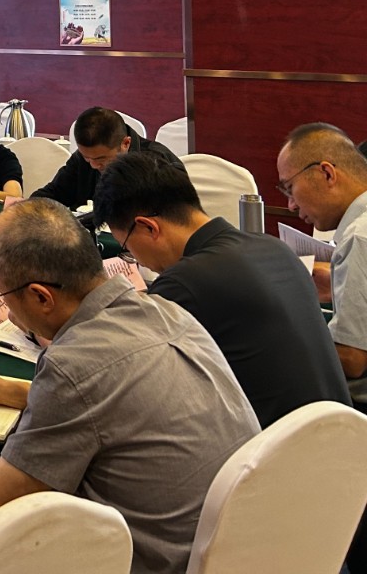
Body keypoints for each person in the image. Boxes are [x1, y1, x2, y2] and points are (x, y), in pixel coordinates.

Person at [0, 199, 258, 574]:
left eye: (2, 295)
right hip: (237, 549)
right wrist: (8, 390)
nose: (7, 312)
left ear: (41, 296)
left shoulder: (73, 365)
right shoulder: (169, 312)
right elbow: (115, 408)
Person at [96, 151, 350, 427]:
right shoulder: (273, 246)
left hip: (277, 448)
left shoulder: (183, 282)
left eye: (128, 248)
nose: (138, 261)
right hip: (346, 436)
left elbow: (127, 376)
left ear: (148, 227)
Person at [275, 122, 367, 407]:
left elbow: (352, 359)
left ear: (326, 173)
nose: (291, 205)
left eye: (289, 188)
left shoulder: (358, 236)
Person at [33, 106, 185, 209]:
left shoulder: (158, 164)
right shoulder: (83, 158)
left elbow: (175, 219)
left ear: (125, 143)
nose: (93, 165)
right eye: (87, 158)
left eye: (101, 159)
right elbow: (53, 194)